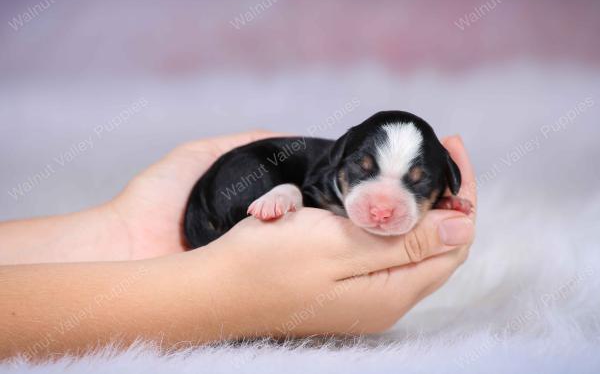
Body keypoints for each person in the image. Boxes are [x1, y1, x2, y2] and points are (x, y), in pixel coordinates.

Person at [0, 131, 476, 360]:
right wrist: (218, 292)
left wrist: (122, 229)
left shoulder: (348, 169)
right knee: (277, 193)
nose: (383, 207)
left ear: (443, 185)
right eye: (365, 174)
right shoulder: (316, 175)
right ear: (342, 162)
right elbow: (302, 195)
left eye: (418, 186)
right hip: (235, 194)